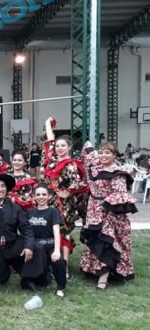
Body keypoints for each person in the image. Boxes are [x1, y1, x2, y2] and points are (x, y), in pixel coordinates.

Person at [80, 142, 137, 289]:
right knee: (95, 240)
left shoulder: (118, 173)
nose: (103, 155)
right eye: (101, 152)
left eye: (107, 153)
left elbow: (119, 194)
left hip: (110, 212)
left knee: (107, 242)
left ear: (115, 155)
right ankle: (97, 270)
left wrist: (106, 207)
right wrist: (89, 147)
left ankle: (103, 277)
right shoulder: (95, 168)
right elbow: (89, 154)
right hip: (93, 210)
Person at [0, 174, 45, 291]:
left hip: (12, 246)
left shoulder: (15, 207)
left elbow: (26, 228)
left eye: (3, 186)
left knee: (36, 247)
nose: (0, 189)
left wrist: (28, 246)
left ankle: (28, 279)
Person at [42, 117, 89, 275]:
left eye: (63, 146)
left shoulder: (71, 164)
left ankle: (65, 266)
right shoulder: (53, 159)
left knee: (64, 232)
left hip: (64, 204)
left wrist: (66, 193)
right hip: (49, 201)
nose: (59, 148)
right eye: (58, 146)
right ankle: (51, 263)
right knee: (50, 231)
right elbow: (50, 141)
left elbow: (77, 183)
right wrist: (48, 124)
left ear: (69, 147)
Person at [27, 185, 67, 297]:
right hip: (36, 248)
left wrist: (57, 251)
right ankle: (41, 277)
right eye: (38, 194)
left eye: (44, 194)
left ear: (49, 196)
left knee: (59, 262)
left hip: (50, 245)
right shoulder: (30, 213)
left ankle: (61, 287)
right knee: (41, 281)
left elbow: (56, 231)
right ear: (34, 196)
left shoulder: (53, 211)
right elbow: (27, 232)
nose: (41, 197)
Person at [0, 144, 37, 210]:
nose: (16, 162)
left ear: (25, 162)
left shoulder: (27, 178)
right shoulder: (8, 171)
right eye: (15, 160)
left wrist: (13, 198)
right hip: (3, 208)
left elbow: (27, 198)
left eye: (20, 160)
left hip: (20, 210)